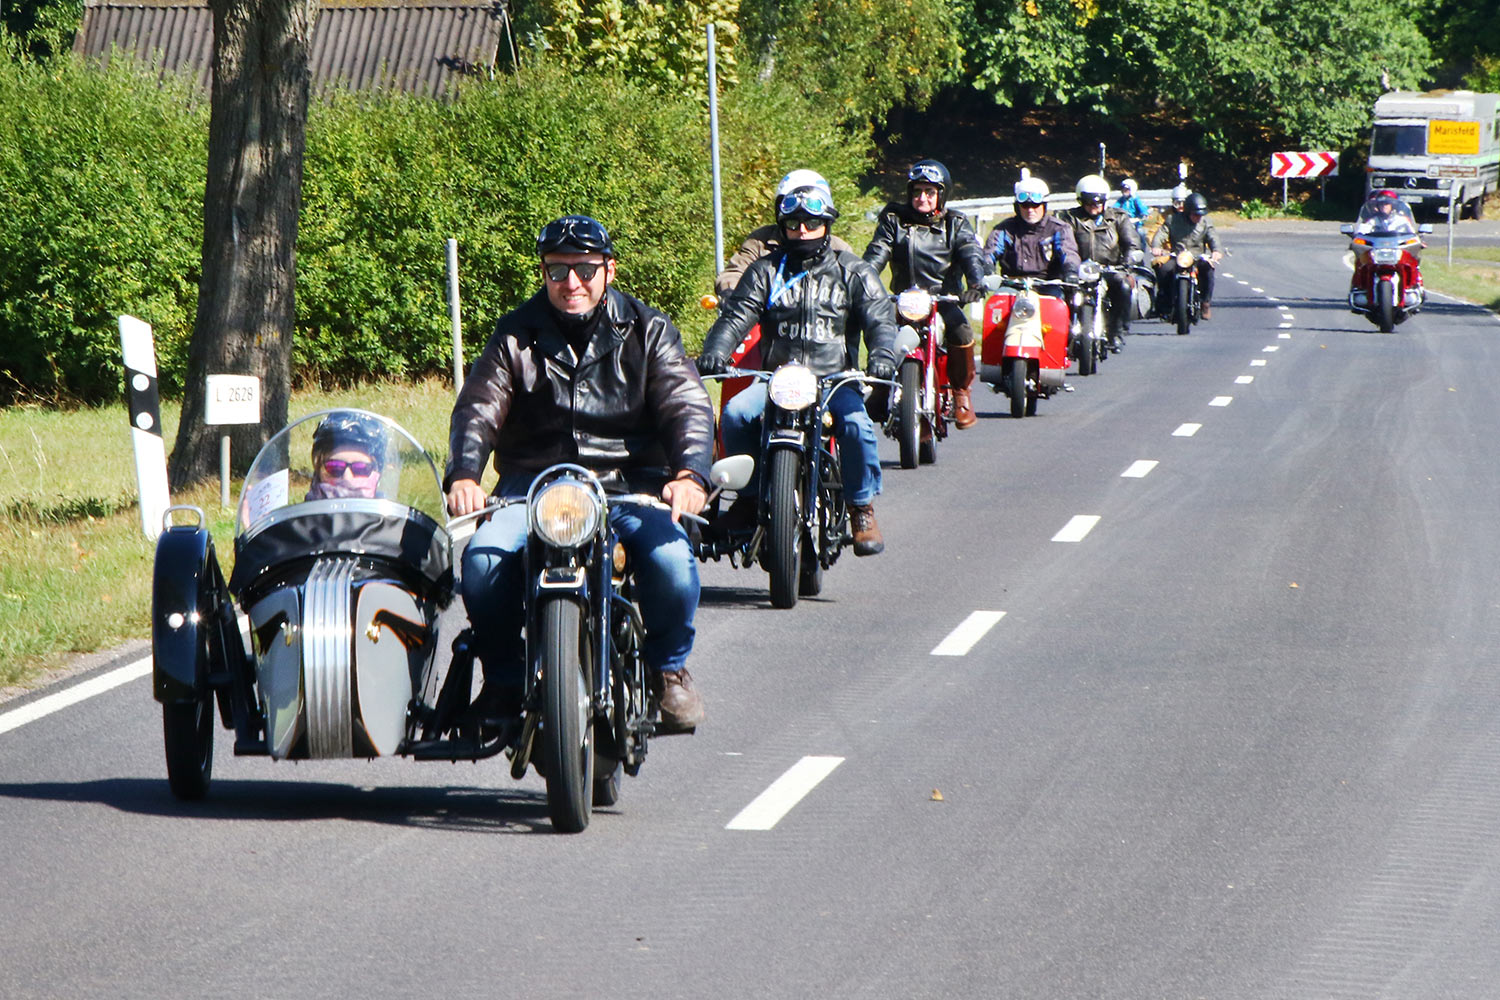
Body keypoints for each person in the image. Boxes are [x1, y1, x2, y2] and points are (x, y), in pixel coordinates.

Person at [445, 215, 714, 732]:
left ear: (609, 270)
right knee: (481, 565)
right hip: (535, 485)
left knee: (673, 563)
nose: (571, 283)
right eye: (557, 270)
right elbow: (478, 406)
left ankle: (668, 671)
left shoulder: (648, 329)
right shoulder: (515, 334)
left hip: (629, 483)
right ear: (544, 273)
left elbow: (686, 404)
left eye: (585, 269)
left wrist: (689, 475)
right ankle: (502, 680)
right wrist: (464, 474)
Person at [696, 179, 899, 556]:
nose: (801, 230)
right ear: (782, 225)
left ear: (827, 224)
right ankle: (749, 496)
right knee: (736, 414)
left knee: (856, 426)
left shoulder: (853, 271)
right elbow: (737, 315)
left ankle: (861, 507)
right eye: (793, 224)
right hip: (778, 378)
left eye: (810, 222)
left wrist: (883, 356)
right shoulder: (764, 271)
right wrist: (716, 351)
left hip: (835, 380)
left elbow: (880, 320)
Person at [861, 159, 988, 429]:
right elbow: (877, 253)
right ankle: (881, 388)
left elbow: (970, 252)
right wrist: (863, 281)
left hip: (942, 300)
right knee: (878, 329)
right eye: (917, 191)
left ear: (941, 195)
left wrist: (975, 284)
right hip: (903, 299)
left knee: (962, 332)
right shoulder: (894, 220)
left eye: (930, 192)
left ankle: (961, 393)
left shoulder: (956, 223)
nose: (922, 198)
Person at [715, 170, 856, 297]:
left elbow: (858, 286)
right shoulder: (761, 241)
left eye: (812, 221)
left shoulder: (839, 249)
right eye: (790, 208)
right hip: (765, 317)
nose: (802, 229)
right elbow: (734, 272)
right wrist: (732, 293)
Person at [1060, 174, 1141, 344]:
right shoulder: (1069, 218)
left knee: (1123, 286)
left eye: (1098, 203)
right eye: (1089, 203)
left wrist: (1128, 261)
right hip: (1078, 269)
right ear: (1081, 201)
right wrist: (1068, 265)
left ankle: (1116, 331)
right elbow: (1063, 243)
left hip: (1109, 268)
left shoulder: (1118, 218)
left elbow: (1131, 243)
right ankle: (1062, 333)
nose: (1094, 207)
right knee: (1059, 293)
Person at [983, 174, 1082, 283]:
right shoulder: (1004, 229)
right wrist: (987, 269)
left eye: (1035, 205)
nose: (1030, 210)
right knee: (994, 301)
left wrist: (1071, 271)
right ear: (1017, 207)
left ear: (1044, 206)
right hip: (1012, 285)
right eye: (1025, 205)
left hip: (1049, 286)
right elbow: (989, 253)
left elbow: (1068, 253)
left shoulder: (1059, 228)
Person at [1150, 191, 1224, 319]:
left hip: (1197, 257)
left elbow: (1213, 237)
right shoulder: (1173, 220)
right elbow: (1161, 233)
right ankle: (1166, 300)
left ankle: (1205, 302)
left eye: (1200, 215)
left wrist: (1216, 250)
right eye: (1195, 214)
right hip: (1177, 255)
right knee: (1164, 270)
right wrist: (1156, 246)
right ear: (1188, 211)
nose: (1198, 217)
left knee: (1208, 271)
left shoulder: (1206, 222)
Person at [306, 411, 385, 500]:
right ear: (318, 469)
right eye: (334, 467)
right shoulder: (300, 512)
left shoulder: (388, 512)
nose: (347, 477)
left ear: (377, 470)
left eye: (360, 468)